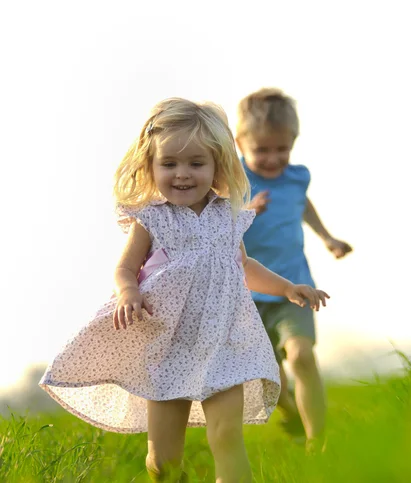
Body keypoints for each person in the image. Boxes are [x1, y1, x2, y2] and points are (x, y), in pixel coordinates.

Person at [39, 97, 329, 483]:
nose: (182, 174)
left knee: (227, 438)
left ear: (217, 166)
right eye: (169, 164)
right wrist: (128, 292)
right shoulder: (151, 219)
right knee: (163, 461)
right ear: (151, 166)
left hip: (224, 345)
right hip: (167, 350)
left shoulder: (228, 215)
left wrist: (288, 288)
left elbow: (243, 266)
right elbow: (126, 268)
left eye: (196, 163)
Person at [235, 88, 352, 452]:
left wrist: (327, 237)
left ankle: (318, 442)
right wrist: (247, 211)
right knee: (270, 381)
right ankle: (289, 412)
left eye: (282, 149)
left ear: (293, 142)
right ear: (240, 143)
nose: (273, 159)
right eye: (262, 150)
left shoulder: (297, 177)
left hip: (295, 287)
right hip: (246, 295)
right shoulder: (232, 177)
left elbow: (303, 205)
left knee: (301, 355)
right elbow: (217, 224)